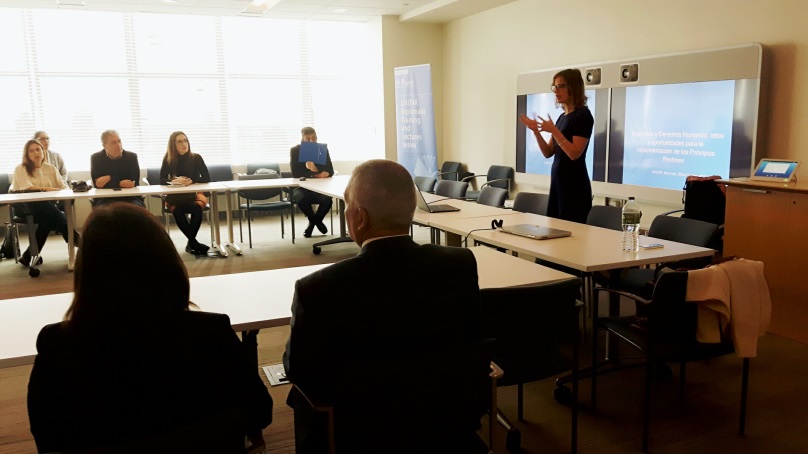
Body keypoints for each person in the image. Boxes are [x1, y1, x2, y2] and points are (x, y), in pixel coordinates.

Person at [27, 203, 273, 453]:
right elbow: (260, 412)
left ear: (86, 271)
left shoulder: (58, 344)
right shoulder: (210, 332)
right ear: (169, 261)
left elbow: (48, 438)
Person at [283, 159, 487, 452]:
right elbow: (470, 339)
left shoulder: (318, 288)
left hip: (357, 432)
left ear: (360, 218)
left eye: (347, 207)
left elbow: (298, 369)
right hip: (444, 422)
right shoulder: (459, 264)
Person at [519, 68, 594, 223]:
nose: (556, 91)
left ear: (573, 88)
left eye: (560, 86)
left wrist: (554, 131)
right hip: (558, 184)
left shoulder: (583, 116)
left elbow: (574, 154)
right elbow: (548, 152)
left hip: (574, 187)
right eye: (554, 87)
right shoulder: (562, 117)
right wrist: (536, 132)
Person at [10, 139, 73, 267]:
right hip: (24, 207)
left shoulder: (51, 168)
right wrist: (49, 189)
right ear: (26, 154)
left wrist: (57, 191)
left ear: (43, 151)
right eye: (31, 150)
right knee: (51, 213)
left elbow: (63, 187)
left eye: (38, 149)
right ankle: (73, 238)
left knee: (48, 218)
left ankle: (28, 256)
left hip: (46, 207)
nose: (35, 153)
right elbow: (27, 188)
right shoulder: (21, 168)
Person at [160, 131, 211, 255]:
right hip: (176, 196)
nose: (184, 144)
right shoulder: (168, 159)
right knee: (177, 211)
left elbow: (207, 177)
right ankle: (194, 242)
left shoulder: (196, 158)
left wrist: (191, 181)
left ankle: (191, 243)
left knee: (197, 209)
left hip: (194, 194)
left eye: (185, 140)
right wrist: (174, 181)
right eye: (180, 141)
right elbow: (161, 180)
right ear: (173, 144)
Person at [289, 126, 334, 238]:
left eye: (313, 138)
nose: (311, 141)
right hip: (302, 188)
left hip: (320, 187)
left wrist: (317, 169)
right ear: (302, 139)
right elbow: (296, 173)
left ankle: (312, 224)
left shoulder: (322, 150)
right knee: (300, 198)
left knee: (327, 200)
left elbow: (330, 170)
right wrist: (316, 174)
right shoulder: (295, 151)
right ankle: (317, 222)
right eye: (307, 139)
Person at [90, 129, 145, 207]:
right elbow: (98, 184)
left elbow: (133, 182)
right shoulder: (96, 158)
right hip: (105, 198)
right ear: (104, 145)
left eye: (119, 141)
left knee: (136, 211)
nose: (118, 145)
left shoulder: (131, 157)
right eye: (113, 143)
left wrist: (108, 178)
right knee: (103, 213)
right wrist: (120, 183)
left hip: (130, 197)